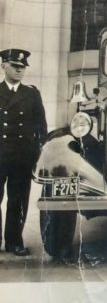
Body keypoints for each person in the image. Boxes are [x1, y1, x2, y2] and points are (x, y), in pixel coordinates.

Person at [0, 49, 47, 257]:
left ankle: (14, 242)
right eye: (15, 66)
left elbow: (41, 126)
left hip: (22, 156)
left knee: (17, 200)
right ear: (3, 66)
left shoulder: (32, 94)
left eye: (22, 67)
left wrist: (38, 151)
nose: (20, 70)